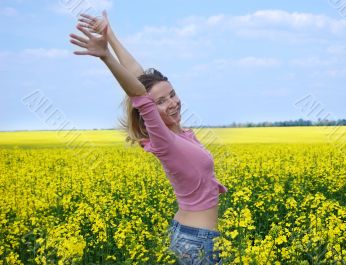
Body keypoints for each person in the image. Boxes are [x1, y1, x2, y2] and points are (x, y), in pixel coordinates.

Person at [69, 11, 228, 264]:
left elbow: (138, 76)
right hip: (197, 241)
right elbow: (139, 95)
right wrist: (106, 56)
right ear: (150, 112)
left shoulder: (180, 134)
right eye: (162, 102)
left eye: (172, 94)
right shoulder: (165, 142)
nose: (173, 103)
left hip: (191, 236)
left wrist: (110, 35)